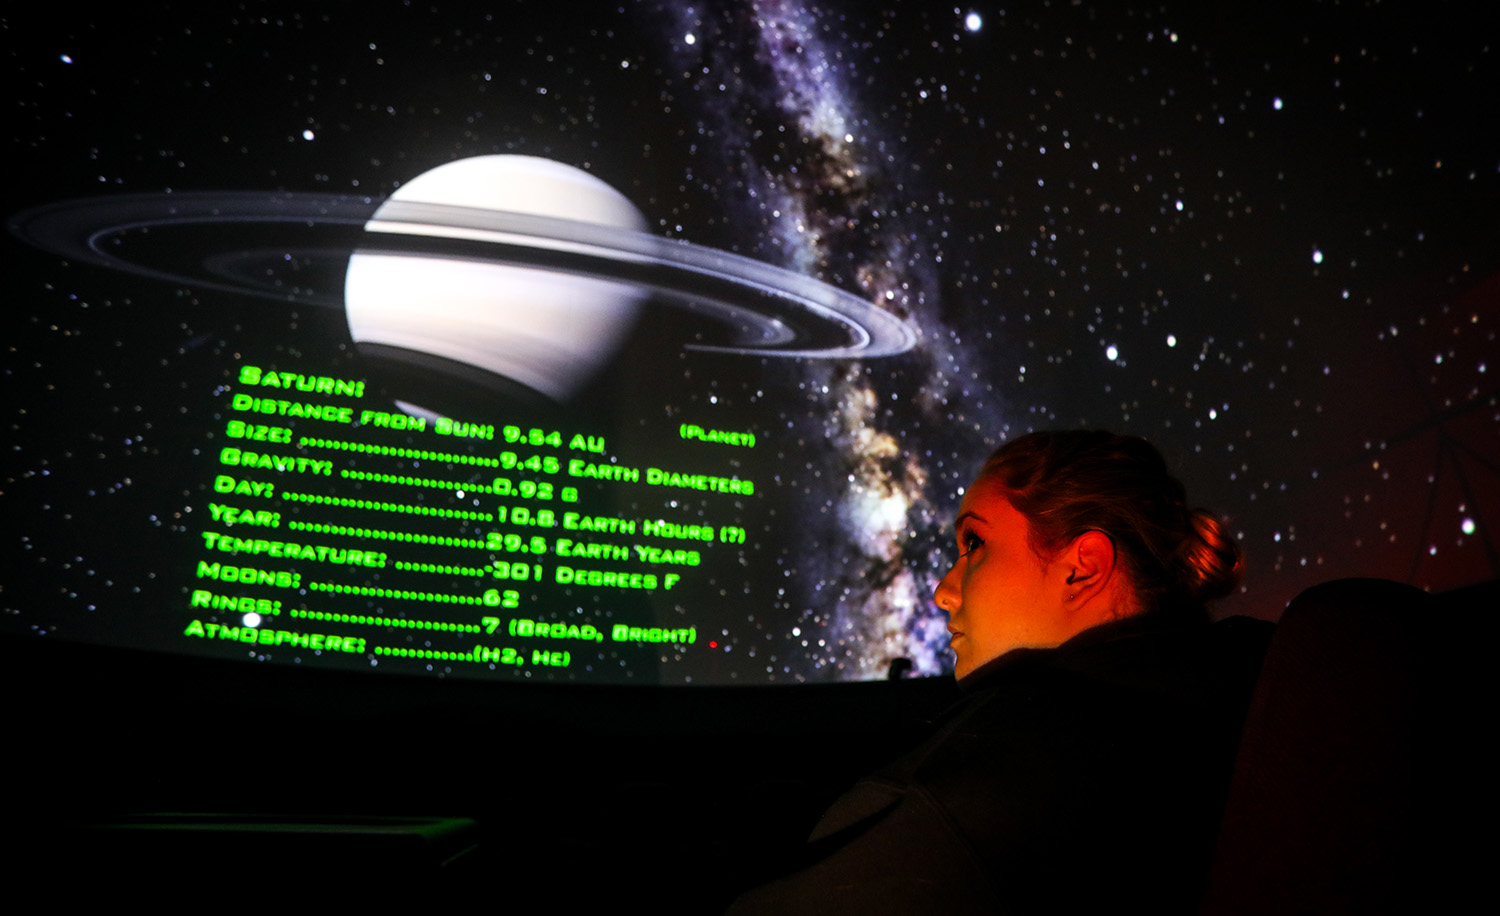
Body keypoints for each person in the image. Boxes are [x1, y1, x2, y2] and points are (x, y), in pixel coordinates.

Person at [726, 430, 1272, 914]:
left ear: (1082, 568)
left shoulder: (953, 807)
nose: (942, 591)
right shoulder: (1255, 714)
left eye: (975, 544)